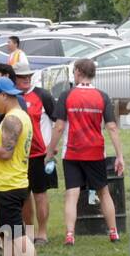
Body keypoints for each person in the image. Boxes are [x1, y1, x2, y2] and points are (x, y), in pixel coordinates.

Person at [46, 58, 125, 245]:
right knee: (104, 192)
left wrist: (50, 151)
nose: (74, 74)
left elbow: (58, 127)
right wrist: (120, 155)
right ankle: (113, 232)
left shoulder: (67, 95)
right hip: (95, 152)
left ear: (79, 72)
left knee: (72, 194)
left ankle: (70, 234)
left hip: (72, 152)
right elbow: (112, 127)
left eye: (74, 71)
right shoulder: (103, 96)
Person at [0, 77, 48, 256]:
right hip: (15, 182)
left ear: (4, 95)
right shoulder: (22, 116)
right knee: (10, 236)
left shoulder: (12, 120)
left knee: (18, 237)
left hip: (9, 185)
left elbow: (4, 152)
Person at [12, 60, 57, 245]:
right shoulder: (11, 97)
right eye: (22, 76)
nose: (26, 79)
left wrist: (52, 147)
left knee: (40, 194)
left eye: (28, 76)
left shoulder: (42, 95)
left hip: (40, 154)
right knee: (23, 195)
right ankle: (28, 231)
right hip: (17, 156)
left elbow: (58, 122)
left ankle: (42, 232)